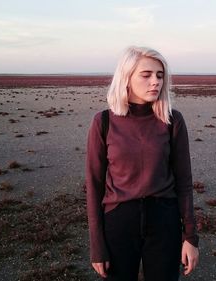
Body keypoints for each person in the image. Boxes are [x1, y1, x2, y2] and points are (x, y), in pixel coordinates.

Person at [85, 46, 199, 281]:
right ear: (126, 78)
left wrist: (190, 237)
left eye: (159, 75)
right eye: (146, 75)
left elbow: (184, 183)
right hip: (119, 221)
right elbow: (94, 186)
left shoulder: (171, 120)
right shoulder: (104, 122)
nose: (155, 82)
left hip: (164, 221)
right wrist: (97, 245)